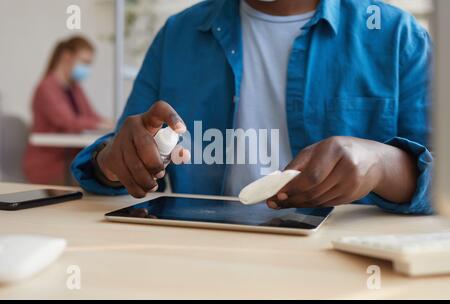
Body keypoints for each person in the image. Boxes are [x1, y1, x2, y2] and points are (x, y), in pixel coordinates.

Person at [72, 0, 433, 214]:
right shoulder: (179, 34)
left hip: (341, 266)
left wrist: (383, 165)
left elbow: (441, 185)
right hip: (201, 256)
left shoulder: (396, 35)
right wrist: (113, 162)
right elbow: (119, 159)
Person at [24, 36, 112, 185]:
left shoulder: (75, 88)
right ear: (66, 56)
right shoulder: (46, 88)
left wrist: (109, 123)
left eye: (89, 64)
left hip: (70, 160)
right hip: (50, 164)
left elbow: (91, 116)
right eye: (84, 62)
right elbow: (69, 122)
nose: (86, 68)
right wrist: (101, 124)